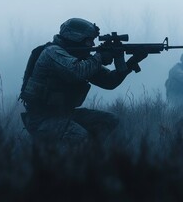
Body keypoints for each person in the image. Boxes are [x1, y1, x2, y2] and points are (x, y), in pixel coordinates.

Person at [19, 18, 147, 145]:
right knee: (82, 139)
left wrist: (130, 63)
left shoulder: (80, 58)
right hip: (42, 118)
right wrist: (100, 57)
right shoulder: (52, 52)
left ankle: (100, 158)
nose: (92, 45)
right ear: (76, 38)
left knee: (110, 121)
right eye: (89, 40)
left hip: (64, 115)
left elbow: (109, 82)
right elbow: (76, 72)